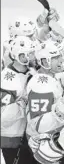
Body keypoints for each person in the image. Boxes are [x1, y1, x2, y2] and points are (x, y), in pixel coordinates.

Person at [1, 36, 37, 164]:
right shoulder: (6, 80)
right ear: (18, 55)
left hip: (25, 135)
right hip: (11, 139)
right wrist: (24, 104)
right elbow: (3, 116)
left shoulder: (30, 72)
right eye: (28, 54)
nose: (32, 57)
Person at [26, 40, 64, 140]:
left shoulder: (52, 76)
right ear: (45, 61)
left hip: (52, 134)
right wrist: (62, 112)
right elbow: (39, 124)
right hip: (43, 140)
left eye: (60, 56)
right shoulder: (41, 86)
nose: (61, 60)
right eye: (56, 58)